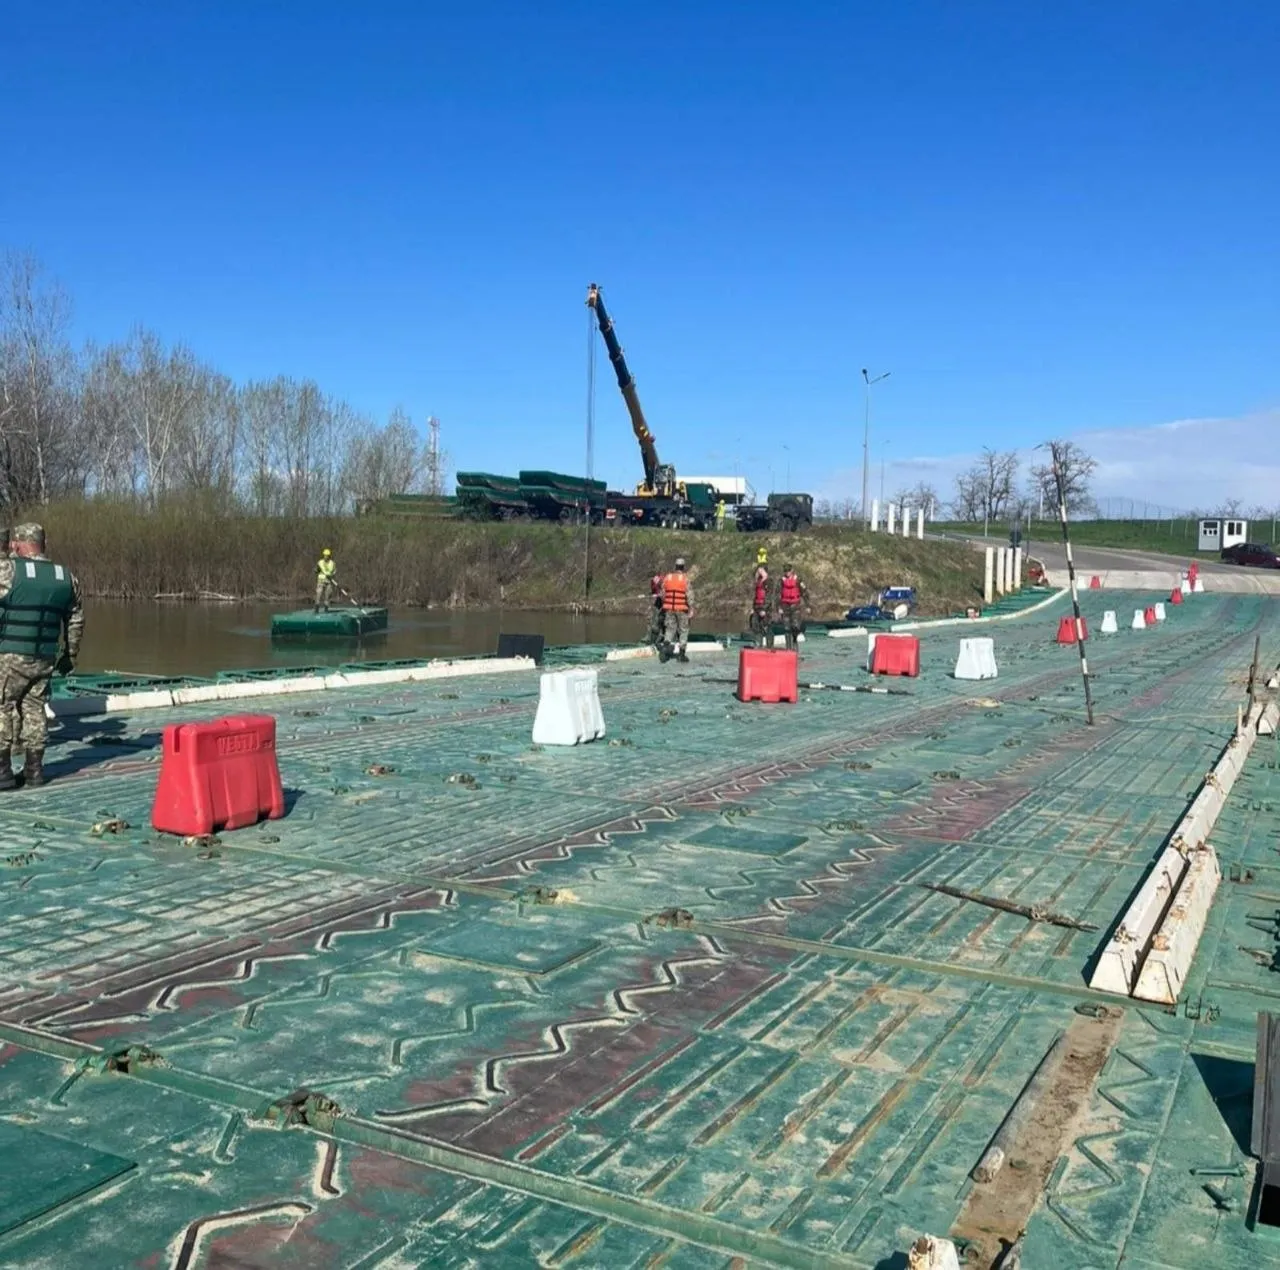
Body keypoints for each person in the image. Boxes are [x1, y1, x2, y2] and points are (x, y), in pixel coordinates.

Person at [0, 523, 83, 789]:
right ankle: (34, 771)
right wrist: (69, 653)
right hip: (44, 656)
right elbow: (76, 619)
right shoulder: (65, 576)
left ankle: (3, 772)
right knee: (35, 709)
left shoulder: (8, 570)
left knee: (3, 707)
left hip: (9, 656)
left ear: (20, 543)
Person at [659, 556, 693, 663]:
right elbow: (690, 595)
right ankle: (681, 655)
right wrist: (691, 608)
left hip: (669, 608)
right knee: (683, 630)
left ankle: (665, 649)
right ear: (683, 567)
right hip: (682, 609)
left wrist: (666, 603)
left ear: (675, 566)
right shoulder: (685, 579)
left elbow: (662, 594)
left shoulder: (667, 578)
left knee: (670, 629)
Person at [778, 563, 807, 651]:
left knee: (795, 626)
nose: (787, 572)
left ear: (792, 570)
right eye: (785, 571)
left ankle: (795, 640)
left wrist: (808, 605)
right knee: (786, 628)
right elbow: (777, 594)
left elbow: (804, 592)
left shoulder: (798, 580)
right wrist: (779, 607)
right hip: (785, 606)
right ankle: (788, 648)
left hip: (795, 606)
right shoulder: (781, 581)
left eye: (788, 571)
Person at [750, 556, 772, 648]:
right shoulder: (758, 581)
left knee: (765, 626)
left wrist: (764, 609)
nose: (759, 571)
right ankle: (758, 644)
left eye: (761, 570)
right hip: (757, 606)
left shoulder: (769, 581)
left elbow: (769, 596)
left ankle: (769, 646)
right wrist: (753, 607)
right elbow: (756, 595)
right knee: (755, 625)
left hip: (765, 608)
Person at [315, 548, 337, 612]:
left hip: (329, 581)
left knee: (328, 595)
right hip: (321, 580)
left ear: (329, 556)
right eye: (325, 555)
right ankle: (317, 608)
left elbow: (334, 571)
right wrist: (316, 570)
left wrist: (331, 575)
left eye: (327, 555)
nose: (326, 557)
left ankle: (326, 608)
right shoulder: (320, 562)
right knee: (318, 594)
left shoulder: (332, 563)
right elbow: (316, 570)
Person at [647, 571, 665, 645]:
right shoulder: (653, 581)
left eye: (655, 578)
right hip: (658, 600)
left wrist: (660, 595)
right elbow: (653, 591)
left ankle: (663, 637)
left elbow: (664, 591)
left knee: (662, 619)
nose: (654, 580)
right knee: (655, 618)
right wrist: (654, 594)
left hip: (664, 602)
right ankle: (652, 637)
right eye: (653, 579)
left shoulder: (662, 580)